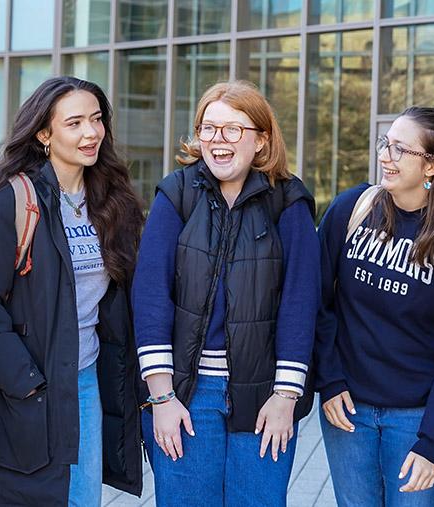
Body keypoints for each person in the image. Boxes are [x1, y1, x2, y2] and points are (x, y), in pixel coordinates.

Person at [0, 76, 145, 505]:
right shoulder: (12, 200)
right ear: (44, 133)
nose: (91, 133)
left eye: (96, 120)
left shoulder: (113, 202)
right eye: (74, 123)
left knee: (81, 500)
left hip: (86, 382)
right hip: (25, 387)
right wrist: (25, 382)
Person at [132, 80, 320, 507]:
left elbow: (301, 303)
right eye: (208, 128)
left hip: (263, 398)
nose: (218, 140)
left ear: (261, 139)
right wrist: (161, 396)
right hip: (185, 393)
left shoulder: (288, 202)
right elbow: (150, 296)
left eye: (233, 129)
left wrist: (285, 397)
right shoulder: (175, 194)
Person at [314, 107, 434, 507]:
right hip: (347, 412)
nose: (385, 157)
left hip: (416, 419)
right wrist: (330, 381)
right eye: (385, 145)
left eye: (400, 150)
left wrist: (433, 440)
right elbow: (317, 304)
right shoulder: (351, 210)